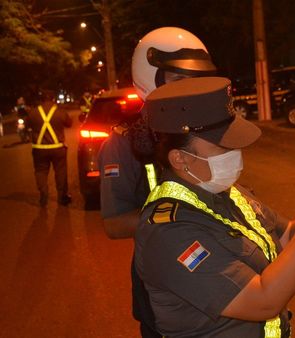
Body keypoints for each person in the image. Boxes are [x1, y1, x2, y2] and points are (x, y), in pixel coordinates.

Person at [134, 76, 295, 337]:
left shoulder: (222, 190)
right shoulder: (168, 232)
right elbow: (263, 302)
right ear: (179, 158)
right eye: (222, 145)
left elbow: (286, 234)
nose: (235, 151)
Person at [96, 27, 217, 337]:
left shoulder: (203, 130)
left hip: (215, 271)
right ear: (150, 79)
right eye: (178, 80)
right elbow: (114, 224)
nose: (189, 89)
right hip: (161, 282)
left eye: (194, 80)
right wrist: (182, 213)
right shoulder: (124, 143)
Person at [27, 91, 72, 206]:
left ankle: (43, 193)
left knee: (40, 171)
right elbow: (69, 123)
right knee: (60, 172)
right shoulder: (59, 111)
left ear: (41, 100)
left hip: (39, 149)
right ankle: (62, 197)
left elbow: (28, 125)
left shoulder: (33, 112)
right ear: (53, 99)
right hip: (58, 149)